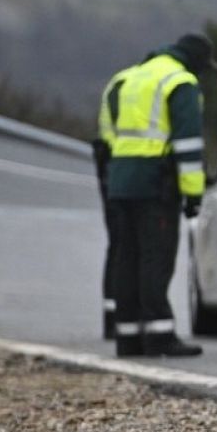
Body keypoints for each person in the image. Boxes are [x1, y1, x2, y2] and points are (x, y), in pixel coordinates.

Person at [106, 34, 213, 357]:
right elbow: (187, 145)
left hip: (122, 179)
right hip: (156, 182)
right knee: (157, 257)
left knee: (128, 257)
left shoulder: (133, 76)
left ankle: (128, 335)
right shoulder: (179, 82)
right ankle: (160, 334)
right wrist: (194, 194)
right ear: (194, 59)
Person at [94, 63, 136, 339]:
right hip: (123, 167)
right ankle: (120, 315)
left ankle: (113, 315)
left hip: (110, 166)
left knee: (118, 245)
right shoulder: (154, 83)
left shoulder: (121, 81)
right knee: (125, 246)